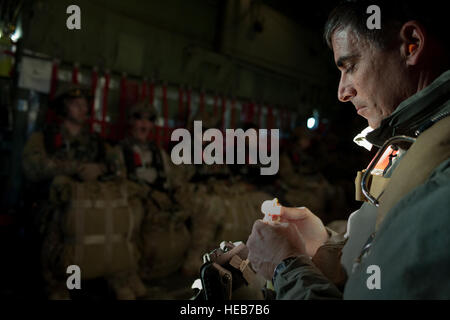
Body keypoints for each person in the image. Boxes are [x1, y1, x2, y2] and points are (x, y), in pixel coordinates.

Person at [246, 0, 450, 299]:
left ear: (411, 45)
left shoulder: (440, 161)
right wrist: (327, 246)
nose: (343, 92)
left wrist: (286, 268)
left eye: (350, 66)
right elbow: (380, 258)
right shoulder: (418, 140)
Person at [22, 84, 145, 299]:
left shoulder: (97, 142)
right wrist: (76, 169)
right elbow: (33, 167)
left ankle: (119, 275)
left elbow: (117, 167)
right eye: (76, 105)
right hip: (59, 202)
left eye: (85, 105)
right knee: (58, 222)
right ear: (63, 108)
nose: (83, 109)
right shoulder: (44, 138)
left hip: (93, 203)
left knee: (125, 212)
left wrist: (101, 169)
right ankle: (62, 284)